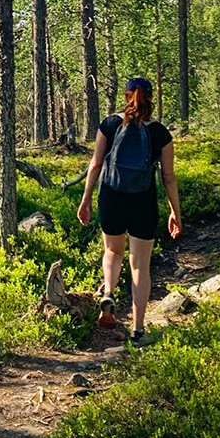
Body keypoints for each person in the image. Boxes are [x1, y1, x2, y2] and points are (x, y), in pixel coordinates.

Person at [76, 76, 182, 342]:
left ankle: (109, 292)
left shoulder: (110, 124)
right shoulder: (160, 133)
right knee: (140, 266)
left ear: (126, 97)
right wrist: (175, 212)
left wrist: (86, 198)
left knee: (112, 251)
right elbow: (168, 177)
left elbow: (96, 165)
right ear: (150, 99)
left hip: (112, 195)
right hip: (142, 200)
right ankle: (138, 329)